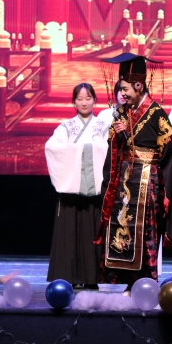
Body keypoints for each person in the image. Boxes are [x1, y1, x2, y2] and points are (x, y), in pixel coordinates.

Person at [95, 53, 172, 292]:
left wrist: (155, 175)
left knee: (145, 232)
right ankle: (126, 282)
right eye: (121, 90)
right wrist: (119, 135)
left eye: (125, 89)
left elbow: (167, 148)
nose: (122, 94)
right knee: (122, 224)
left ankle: (144, 283)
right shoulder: (123, 112)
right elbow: (114, 145)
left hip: (147, 180)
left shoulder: (157, 114)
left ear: (138, 86)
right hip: (125, 179)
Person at [45, 83, 109, 289]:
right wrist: (83, 150)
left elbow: (108, 150)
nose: (84, 102)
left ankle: (91, 279)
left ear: (95, 100)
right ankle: (69, 278)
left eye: (88, 98)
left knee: (92, 233)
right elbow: (51, 147)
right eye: (80, 99)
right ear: (73, 102)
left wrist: (80, 149)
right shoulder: (65, 127)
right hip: (71, 190)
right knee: (69, 234)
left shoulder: (103, 126)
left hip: (95, 191)